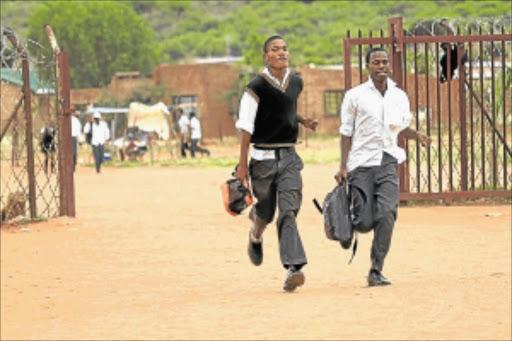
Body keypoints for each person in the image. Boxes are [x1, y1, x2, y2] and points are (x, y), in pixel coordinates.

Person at [334, 47, 431, 287]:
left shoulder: (399, 95)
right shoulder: (355, 95)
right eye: (376, 62)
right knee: (365, 222)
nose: (381, 66)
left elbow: (399, 128)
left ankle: (376, 269)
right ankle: (345, 226)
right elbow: (346, 132)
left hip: (388, 160)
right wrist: (344, 166)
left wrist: (417, 135)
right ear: (368, 66)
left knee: (387, 214)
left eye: (384, 62)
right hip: (361, 163)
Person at [234, 34, 318, 292]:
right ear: (266, 56)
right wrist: (242, 165)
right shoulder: (255, 87)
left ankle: (294, 267)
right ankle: (256, 235)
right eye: (275, 49)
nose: (282, 53)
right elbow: (246, 128)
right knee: (266, 212)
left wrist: (303, 121)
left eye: (284, 49)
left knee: (289, 211)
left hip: (290, 158)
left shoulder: (296, 82)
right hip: (262, 161)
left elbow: (286, 108)